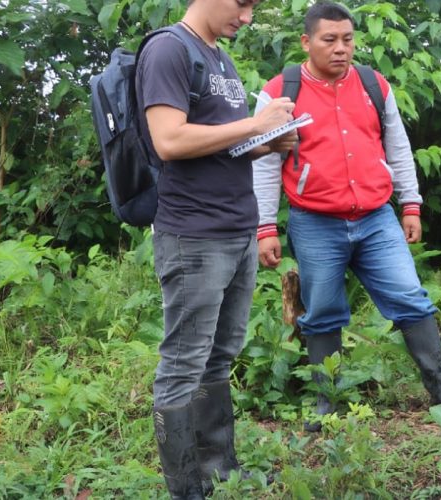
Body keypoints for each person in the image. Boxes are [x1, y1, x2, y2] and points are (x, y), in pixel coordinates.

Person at [252, 2, 441, 432]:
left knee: (409, 296)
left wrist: (411, 204)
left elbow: (398, 146)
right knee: (324, 311)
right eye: (329, 40)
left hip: (375, 218)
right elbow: (263, 163)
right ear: (306, 42)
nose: (340, 49)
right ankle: (326, 403)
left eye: (347, 39)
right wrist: (265, 228)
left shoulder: (373, 84)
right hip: (315, 221)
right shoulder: (280, 91)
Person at [137, 0, 298, 497]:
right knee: (184, 361)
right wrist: (255, 124)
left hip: (236, 227)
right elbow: (168, 140)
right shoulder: (169, 49)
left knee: (219, 356)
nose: (247, 17)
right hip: (194, 235)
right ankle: (186, 487)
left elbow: (215, 141)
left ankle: (219, 468)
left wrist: (267, 142)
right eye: (243, 3)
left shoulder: (219, 57)